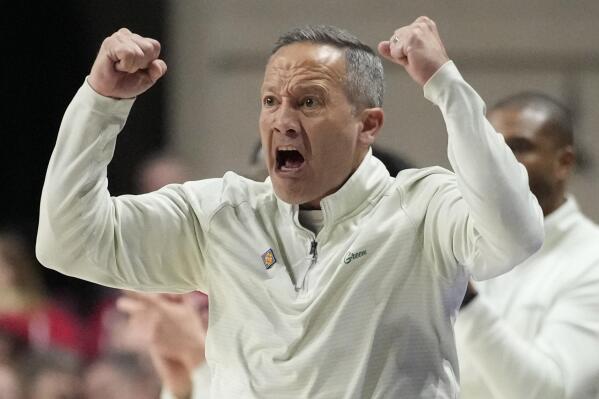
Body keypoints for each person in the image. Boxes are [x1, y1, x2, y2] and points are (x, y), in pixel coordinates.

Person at [36, 17, 544, 397]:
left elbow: (515, 235)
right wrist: (100, 104)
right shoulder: (220, 213)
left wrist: (446, 85)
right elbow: (69, 243)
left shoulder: (422, 208)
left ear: (368, 125)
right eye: (270, 101)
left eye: (309, 102)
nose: (282, 120)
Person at [455, 93, 599, 398]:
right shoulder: (464, 242)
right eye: (492, 146)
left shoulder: (592, 258)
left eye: (519, 147)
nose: (499, 160)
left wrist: (465, 300)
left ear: (564, 162)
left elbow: (551, 393)